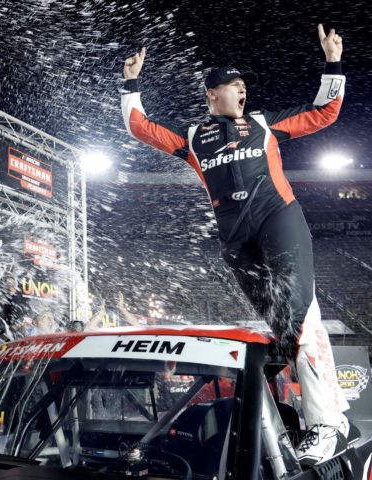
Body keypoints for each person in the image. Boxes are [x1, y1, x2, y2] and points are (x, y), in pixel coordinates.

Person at [121, 25, 351, 466]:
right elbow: (139, 126)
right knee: (287, 329)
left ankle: (324, 423)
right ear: (213, 94)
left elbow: (324, 113)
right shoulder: (192, 137)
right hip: (236, 241)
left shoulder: (264, 125)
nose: (243, 91)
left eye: (245, 86)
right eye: (234, 86)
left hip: (279, 220)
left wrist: (333, 63)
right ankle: (319, 415)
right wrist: (130, 84)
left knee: (299, 319)